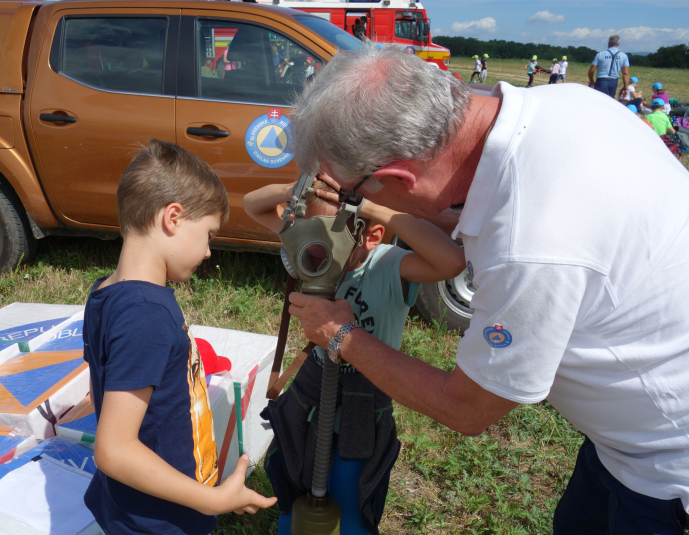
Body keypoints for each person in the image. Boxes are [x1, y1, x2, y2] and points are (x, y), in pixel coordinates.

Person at [288, 45, 689, 534]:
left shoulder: (531, 240)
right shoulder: (567, 105)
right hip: (623, 442)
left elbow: (468, 408)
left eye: (355, 193)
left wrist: (341, 334)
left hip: (665, 474)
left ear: (396, 177)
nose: (357, 204)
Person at [243, 178, 465, 535]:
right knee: (296, 472)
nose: (315, 253)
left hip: (364, 403)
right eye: (310, 237)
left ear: (370, 236)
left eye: (328, 241)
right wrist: (297, 190)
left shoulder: (389, 267)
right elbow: (253, 203)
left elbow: (452, 261)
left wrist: (372, 209)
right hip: (313, 391)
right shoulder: (308, 247)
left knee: (350, 491)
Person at [83, 139, 277, 535]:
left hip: (137, 505)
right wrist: (216, 500)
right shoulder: (146, 313)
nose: (208, 251)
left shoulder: (107, 291)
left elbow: (105, 382)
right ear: (172, 218)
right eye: (208, 234)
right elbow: (114, 449)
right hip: (159, 519)